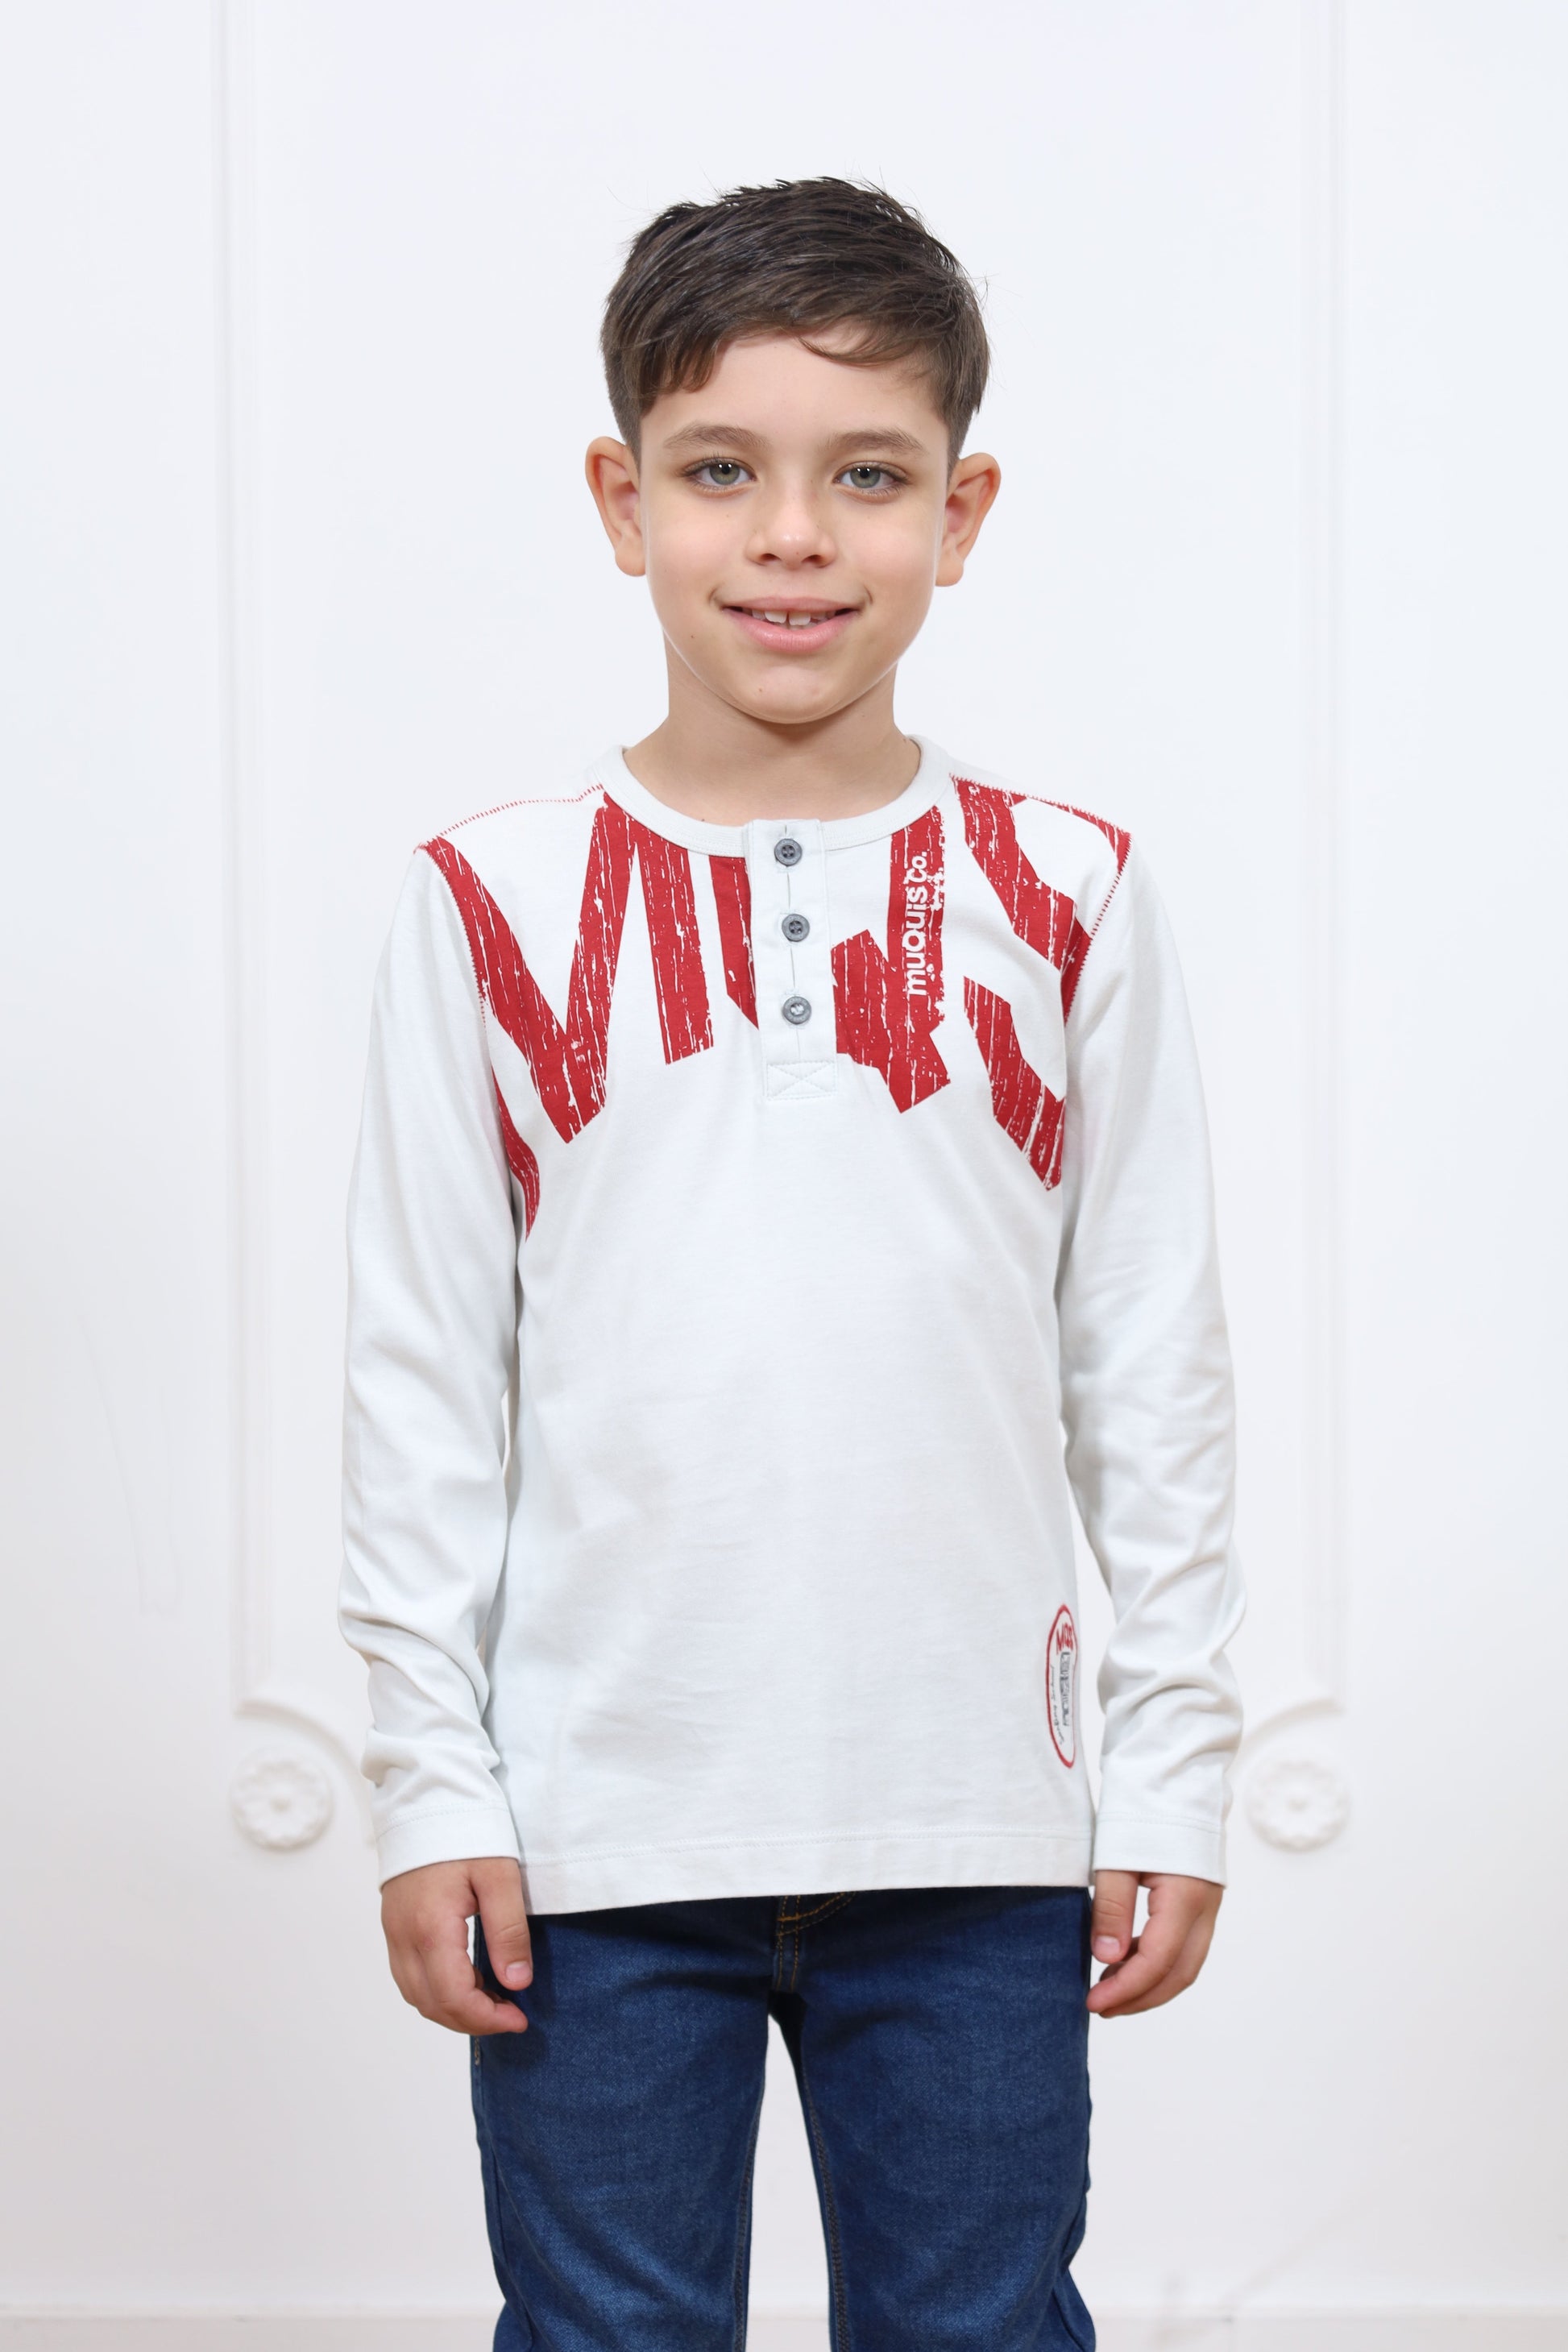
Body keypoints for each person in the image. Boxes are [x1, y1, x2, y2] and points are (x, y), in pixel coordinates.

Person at [339, 176, 1244, 2352]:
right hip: (594, 1838)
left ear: (962, 509)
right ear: (620, 498)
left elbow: (1151, 1365)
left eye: (868, 477)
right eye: (721, 471)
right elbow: (418, 1381)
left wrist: (1174, 1766)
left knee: (980, 2327)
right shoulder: (485, 901)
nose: (792, 540)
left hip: (975, 1828)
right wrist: (432, 1783)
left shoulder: (1070, 891)